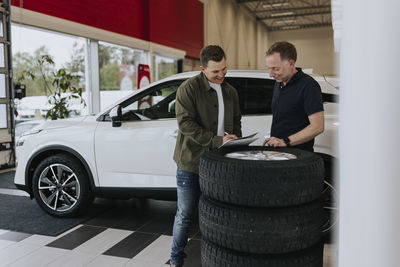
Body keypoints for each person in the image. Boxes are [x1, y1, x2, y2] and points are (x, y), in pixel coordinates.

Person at [170, 45, 242, 267]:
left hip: (220, 165)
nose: (221, 75)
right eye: (215, 72)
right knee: (185, 215)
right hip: (191, 164)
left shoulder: (230, 91)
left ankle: (215, 258)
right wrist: (217, 140)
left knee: (219, 215)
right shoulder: (188, 89)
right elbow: (186, 125)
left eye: (224, 69)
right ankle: (175, 260)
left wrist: (236, 138)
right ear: (202, 68)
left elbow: (237, 120)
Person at [263, 41, 324, 152]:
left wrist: (285, 141)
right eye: (269, 68)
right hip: (278, 154)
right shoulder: (278, 83)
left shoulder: (308, 86)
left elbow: (317, 126)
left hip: (298, 157)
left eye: (275, 69)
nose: (270, 74)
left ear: (291, 63)